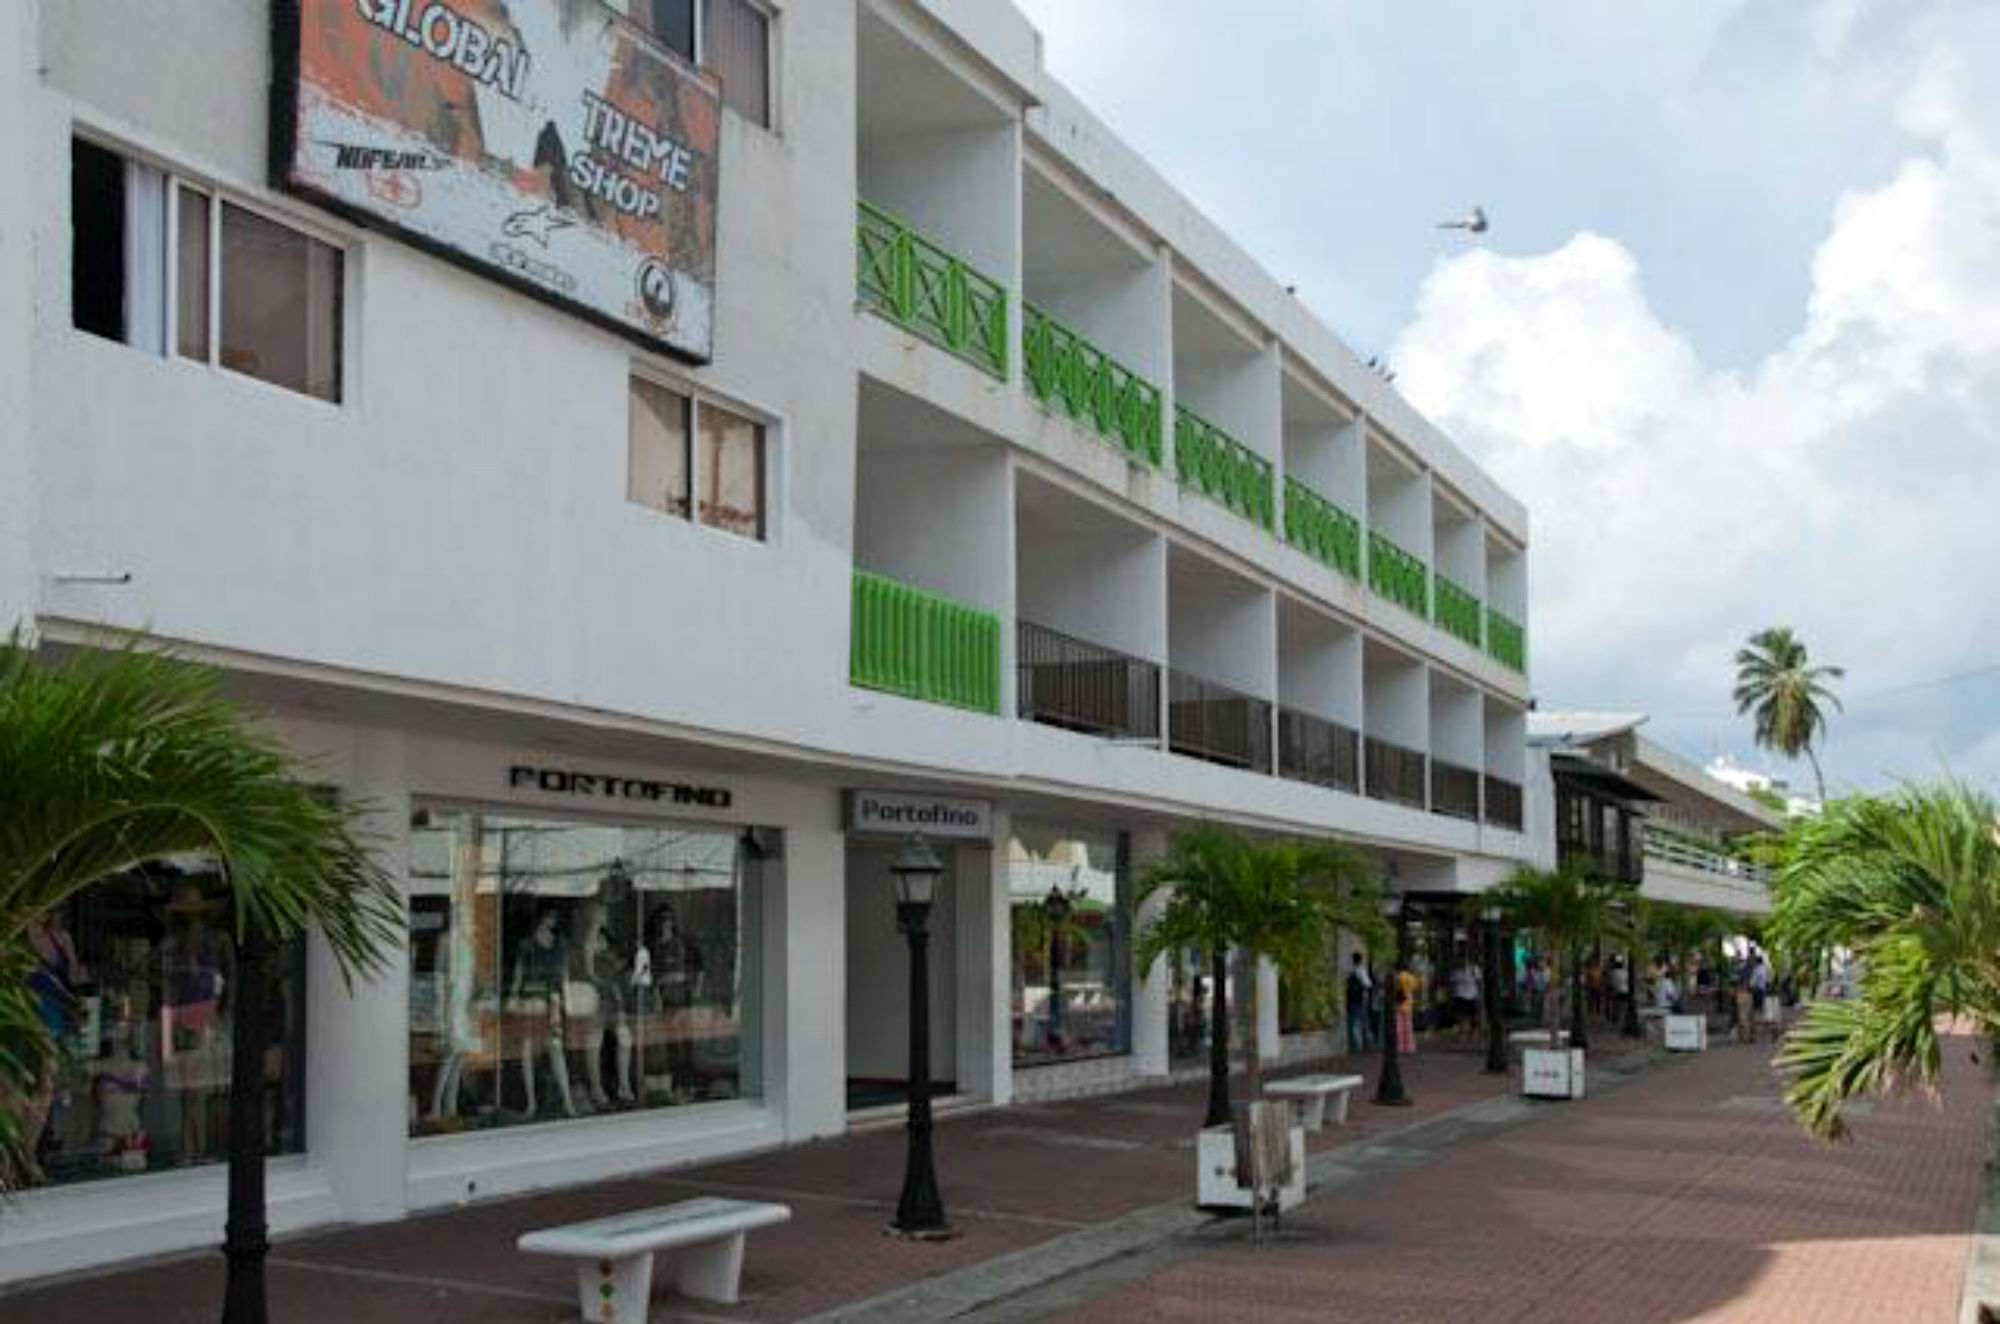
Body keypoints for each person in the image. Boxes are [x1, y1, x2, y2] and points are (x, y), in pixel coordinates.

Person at [1344, 951, 1373, 1053]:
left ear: (1353, 960)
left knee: (1354, 1023)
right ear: (1361, 960)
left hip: (1353, 1000)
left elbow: (1367, 984)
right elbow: (1368, 984)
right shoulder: (1361, 970)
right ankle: (1365, 1045)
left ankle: (1355, 1046)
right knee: (1363, 1022)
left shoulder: (1352, 971)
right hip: (1360, 999)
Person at [1449, 957, 1481, 1043]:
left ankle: (1473, 1033)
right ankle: (1463, 1034)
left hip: (1472, 995)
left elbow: (1479, 982)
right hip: (1460, 996)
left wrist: (1479, 995)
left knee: (1472, 1016)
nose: (1463, 963)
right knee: (1462, 1016)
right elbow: (1452, 983)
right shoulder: (1456, 971)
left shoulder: (1474, 970)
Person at [1395, 964, 1419, 1056]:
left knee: (1399, 1027)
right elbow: (1415, 987)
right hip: (1408, 1003)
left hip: (1399, 1003)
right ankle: (1410, 1047)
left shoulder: (1399, 976)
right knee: (1408, 1027)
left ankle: (1400, 1046)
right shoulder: (1411, 978)